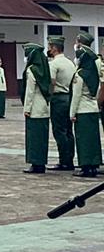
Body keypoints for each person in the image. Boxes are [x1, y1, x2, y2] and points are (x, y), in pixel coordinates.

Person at [70, 33, 101, 178]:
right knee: (93, 139)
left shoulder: (80, 74)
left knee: (83, 140)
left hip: (82, 110)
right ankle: (94, 165)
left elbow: (76, 97)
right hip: (93, 108)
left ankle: (86, 166)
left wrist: (72, 113)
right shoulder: (93, 72)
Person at [48, 36, 77, 171]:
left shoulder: (54, 64)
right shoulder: (70, 63)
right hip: (69, 98)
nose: (49, 49)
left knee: (59, 131)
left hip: (58, 99)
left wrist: (49, 97)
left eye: (50, 47)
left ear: (54, 48)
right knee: (68, 131)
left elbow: (52, 83)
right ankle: (70, 159)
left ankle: (64, 161)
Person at [23, 43, 52, 173]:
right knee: (42, 138)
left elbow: (29, 92)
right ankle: (42, 162)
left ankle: (36, 163)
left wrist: (26, 108)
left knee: (34, 137)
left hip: (34, 107)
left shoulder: (32, 70)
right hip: (44, 106)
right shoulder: (45, 69)